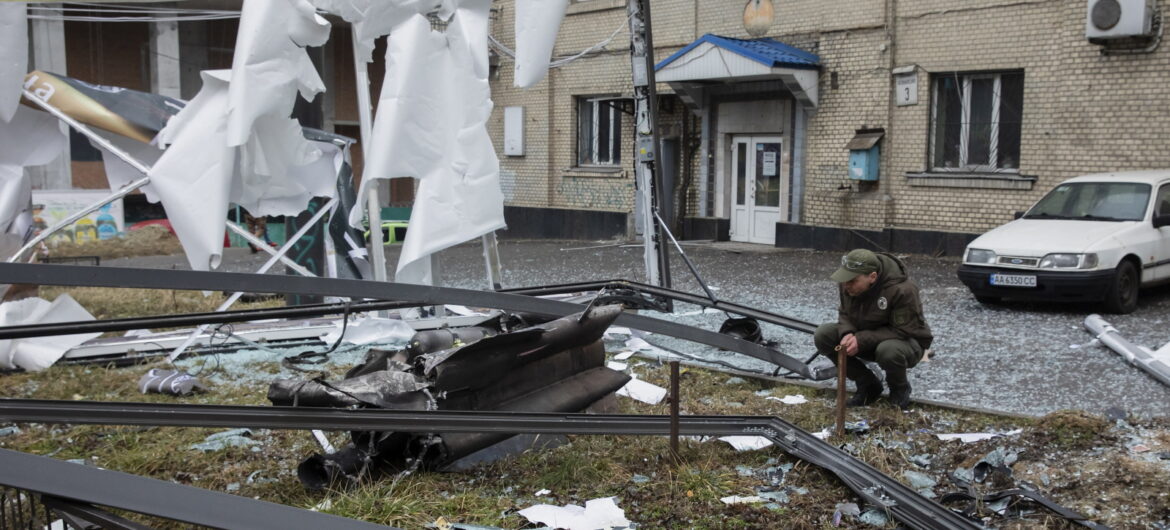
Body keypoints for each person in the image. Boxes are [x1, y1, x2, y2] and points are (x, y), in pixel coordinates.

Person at [814, 249, 932, 410]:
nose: (846, 285)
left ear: (872, 277)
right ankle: (868, 385)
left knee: (888, 350)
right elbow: (844, 313)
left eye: (852, 281)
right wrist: (847, 333)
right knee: (823, 334)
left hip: (907, 343)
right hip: (866, 338)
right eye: (845, 280)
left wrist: (861, 339)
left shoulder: (903, 290)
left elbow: (903, 330)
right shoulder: (847, 284)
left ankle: (899, 390)